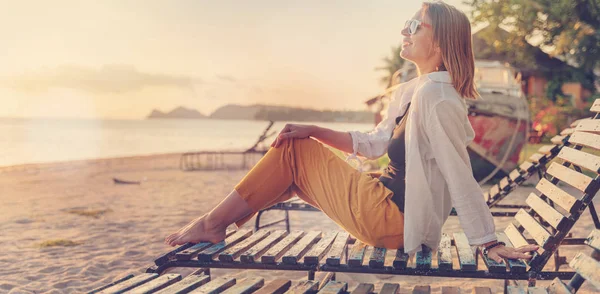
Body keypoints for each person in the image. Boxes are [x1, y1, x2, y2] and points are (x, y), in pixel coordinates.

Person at [165, 1, 538, 262]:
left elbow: (460, 174)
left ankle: (212, 224)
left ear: (439, 43)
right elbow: (374, 144)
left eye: (414, 26)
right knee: (294, 168)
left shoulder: (436, 98)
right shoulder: (416, 90)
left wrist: (487, 242)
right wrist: (314, 128)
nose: (403, 31)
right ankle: (215, 224)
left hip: (393, 220)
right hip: (385, 209)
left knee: (293, 154)